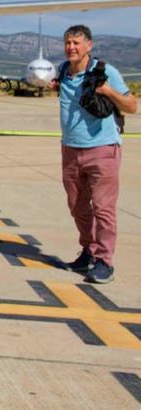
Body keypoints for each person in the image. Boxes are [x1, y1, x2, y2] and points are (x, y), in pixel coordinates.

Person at [48, 24, 136, 284]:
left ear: (89, 46)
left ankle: (105, 261)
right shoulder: (64, 71)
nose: (71, 48)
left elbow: (131, 105)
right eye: (68, 43)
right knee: (77, 206)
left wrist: (108, 91)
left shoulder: (106, 72)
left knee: (103, 208)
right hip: (71, 149)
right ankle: (88, 251)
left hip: (102, 149)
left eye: (77, 43)